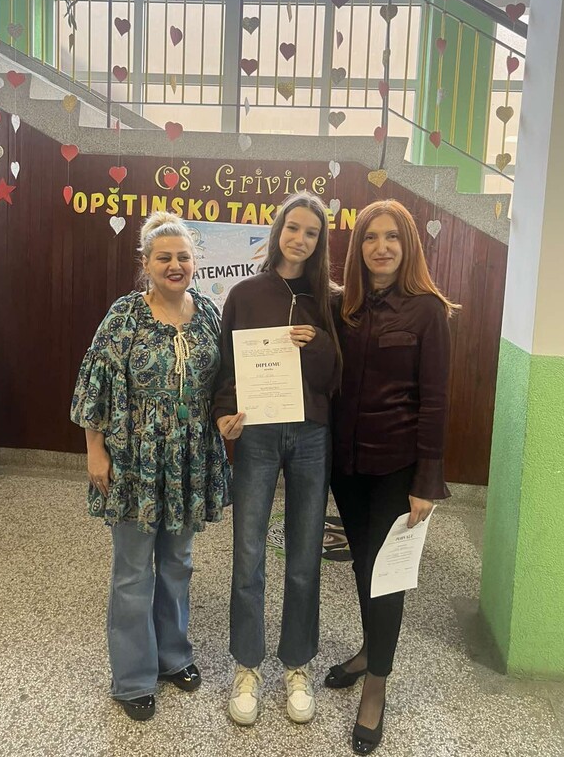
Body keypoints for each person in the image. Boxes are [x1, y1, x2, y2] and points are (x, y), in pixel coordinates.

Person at [70, 211, 230, 721]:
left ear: (195, 262)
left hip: (189, 460)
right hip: (133, 459)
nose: (175, 265)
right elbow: (94, 383)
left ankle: (173, 656)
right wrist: (95, 450)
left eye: (183, 257)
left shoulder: (208, 314)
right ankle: (134, 677)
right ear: (146, 263)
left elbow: (226, 381)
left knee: (178, 562)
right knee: (133, 570)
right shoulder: (124, 316)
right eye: (164, 258)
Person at [326, 199, 458, 755]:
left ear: (408, 246)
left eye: (392, 237)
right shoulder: (343, 308)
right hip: (346, 466)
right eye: (370, 237)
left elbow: (436, 402)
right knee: (362, 565)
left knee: (387, 577)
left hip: (397, 468)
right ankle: (369, 651)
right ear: (358, 247)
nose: (381, 247)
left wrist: (427, 480)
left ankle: (376, 685)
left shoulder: (429, 311)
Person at [214, 191, 341, 726]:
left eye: (312, 233)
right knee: (248, 552)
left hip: (311, 435)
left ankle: (297, 665)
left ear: (321, 242)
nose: (300, 239)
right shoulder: (245, 294)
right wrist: (224, 413)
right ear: (278, 231)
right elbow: (226, 368)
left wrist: (318, 343)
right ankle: (247, 666)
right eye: (294, 228)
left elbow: (338, 378)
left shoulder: (331, 300)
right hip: (259, 435)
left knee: (305, 555)